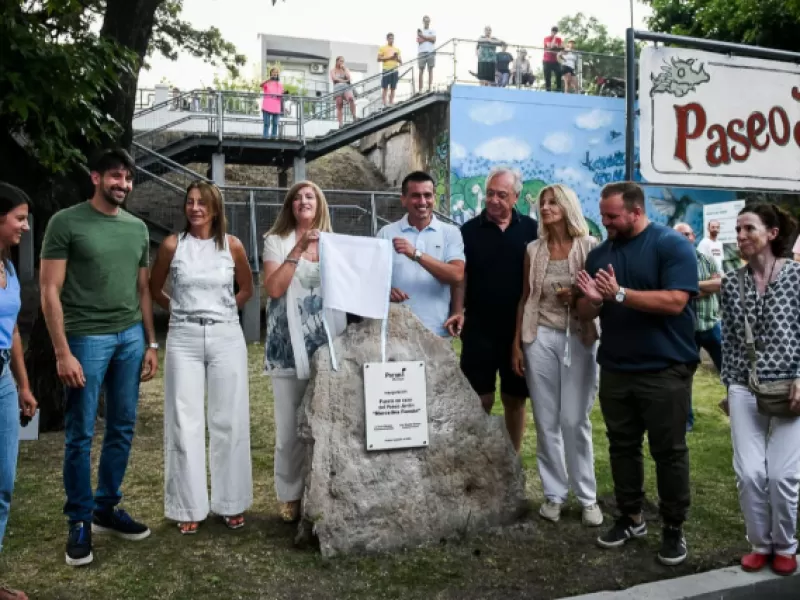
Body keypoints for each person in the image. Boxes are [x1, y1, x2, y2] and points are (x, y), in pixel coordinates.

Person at [40, 149, 159, 567]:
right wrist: (61, 351)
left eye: (127, 178)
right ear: (95, 177)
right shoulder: (66, 222)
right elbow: (49, 289)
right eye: (114, 177)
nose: (122, 184)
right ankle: (79, 520)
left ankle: (105, 508)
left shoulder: (137, 229)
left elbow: (143, 289)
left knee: (123, 426)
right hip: (85, 339)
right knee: (81, 432)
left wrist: (150, 342)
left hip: (129, 337)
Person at [575, 181, 698, 566]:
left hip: (664, 369)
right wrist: (593, 303)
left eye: (612, 216)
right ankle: (630, 517)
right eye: (603, 215)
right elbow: (584, 311)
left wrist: (620, 294)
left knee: (669, 451)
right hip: (616, 367)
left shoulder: (670, 245)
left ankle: (673, 527)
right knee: (622, 446)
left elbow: (677, 300)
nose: (605, 222)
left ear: (636, 212)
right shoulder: (598, 255)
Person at [149, 181, 253, 536]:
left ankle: (231, 502)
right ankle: (187, 504)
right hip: (184, 337)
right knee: (184, 419)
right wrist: (178, 309)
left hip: (226, 335)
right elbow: (154, 288)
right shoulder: (172, 246)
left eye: (202, 203)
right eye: (190, 202)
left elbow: (247, 289)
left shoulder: (232, 246)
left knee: (229, 418)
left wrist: (224, 310)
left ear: (215, 208)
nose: (195, 208)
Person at [511, 184, 602, 527]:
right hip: (540, 337)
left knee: (574, 419)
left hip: (580, 337)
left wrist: (576, 296)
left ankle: (587, 497)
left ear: (567, 207)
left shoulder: (590, 246)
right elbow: (526, 297)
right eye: (542, 203)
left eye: (553, 202)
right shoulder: (533, 249)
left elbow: (598, 296)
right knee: (546, 419)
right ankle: (554, 494)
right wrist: (518, 343)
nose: (545, 207)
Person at [720, 203, 800, 576]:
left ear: (772, 234)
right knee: (750, 472)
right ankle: (760, 543)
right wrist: (729, 387)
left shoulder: (798, 278)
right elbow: (731, 342)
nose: (740, 236)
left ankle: (785, 545)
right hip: (745, 386)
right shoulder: (730, 283)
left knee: (781, 474)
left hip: (792, 386)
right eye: (738, 230)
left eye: (748, 229)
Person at [262, 181, 344, 523]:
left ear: (320, 203)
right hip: (287, 346)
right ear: (289, 206)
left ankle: (326, 491)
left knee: (330, 424)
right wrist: (298, 248)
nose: (303, 201)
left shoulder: (335, 244)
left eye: (309, 196)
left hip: (328, 346)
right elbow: (275, 287)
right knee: (288, 429)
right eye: (296, 198)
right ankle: (290, 494)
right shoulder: (275, 240)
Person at [446, 167, 538, 452]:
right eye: (490, 193)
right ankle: (477, 457)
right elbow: (462, 278)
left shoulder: (532, 231)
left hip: (517, 330)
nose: (494, 200)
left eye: (502, 195)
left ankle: (513, 458)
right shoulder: (468, 231)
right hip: (479, 328)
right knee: (479, 398)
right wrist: (459, 310)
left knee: (514, 398)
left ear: (516, 197)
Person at [0, 183, 37, 600]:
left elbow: (11, 332)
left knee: (3, 484)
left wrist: (23, 385)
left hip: (4, 384)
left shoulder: (8, 269)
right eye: (19, 218)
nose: (24, 227)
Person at [377, 172, 464, 337]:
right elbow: (372, 281)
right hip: (395, 333)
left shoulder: (451, 233)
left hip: (437, 332)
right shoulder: (386, 233)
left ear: (434, 198)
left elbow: (457, 275)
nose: (423, 201)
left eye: (427, 195)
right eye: (416, 196)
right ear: (403, 199)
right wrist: (385, 290)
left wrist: (416, 254)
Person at [674, 222, 722, 431]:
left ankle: (741, 415)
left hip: (711, 325)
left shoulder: (707, 259)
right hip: (687, 331)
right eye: (680, 235)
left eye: (688, 234)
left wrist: (690, 287)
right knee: (684, 378)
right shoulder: (672, 263)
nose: (685, 238)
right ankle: (686, 421)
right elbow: (675, 292)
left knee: (731, 373)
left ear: (694, 236)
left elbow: (719, 284)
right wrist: (704, 286)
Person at [331, 57, 357, 128]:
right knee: (339, 104)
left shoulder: (346, 69)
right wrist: (344, 80)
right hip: (337, 87)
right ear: (337, 62)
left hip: (346, 87)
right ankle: (340, 123)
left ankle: (354, 116)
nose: (341, 63)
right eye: (340, 61)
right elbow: (334, 78)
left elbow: (349, 78)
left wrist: (344, 69)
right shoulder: (333, 70)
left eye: (343, 61)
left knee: (351, 99)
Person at [378, 33, 402, 106]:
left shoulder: (397, 49)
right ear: (387, 39)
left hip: (395, 70)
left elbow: (401, 61)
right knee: (385, 87)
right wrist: (389, 58)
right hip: (386, 69)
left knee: (393, 88)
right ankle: (384, 103)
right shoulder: (382, 48)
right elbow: (378, 59)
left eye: (392, 38)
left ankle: (391, 102)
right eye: (390, 38)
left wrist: (396, 57)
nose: (391, 40)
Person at [260, 67, 284, 139]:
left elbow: (281, 94)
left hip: (276, 106)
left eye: (276, 72)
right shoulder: (267, 82)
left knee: (275, 124)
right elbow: (260, 85)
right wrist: (268, 79)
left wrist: (285, 93)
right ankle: (265, 137)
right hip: (267, 105)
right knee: (266, 123)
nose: (275, 74)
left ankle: (273, 138)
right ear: (271, 73)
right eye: (273, 72)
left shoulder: (279, 84)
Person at [417, 16, 437, 93]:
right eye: (425, 21)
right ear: (423, 21)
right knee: (421, 69)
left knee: (430, 69)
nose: (426, 22)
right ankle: (420, 89)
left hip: (431, 51)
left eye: (428, 21)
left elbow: (434, 40)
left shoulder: (432, 30)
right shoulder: (419, 30)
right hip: (422, 52)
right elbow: (419, 40)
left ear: (429, 22)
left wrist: (423, 36)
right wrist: (428, 38)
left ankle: (430, 87)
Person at [543, 26, 563, 92]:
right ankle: (548, 91)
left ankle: (558, 90)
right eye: (553, 31)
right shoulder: (546, 38)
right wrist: (554, 38)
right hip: (547, 60)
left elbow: (560, 49)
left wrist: (555, 48)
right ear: (551, 31)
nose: (554, 33)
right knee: (547, 76)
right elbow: (550, 46)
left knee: (559, 73)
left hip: (555, 60)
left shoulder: (559, 39)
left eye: (555, 31)